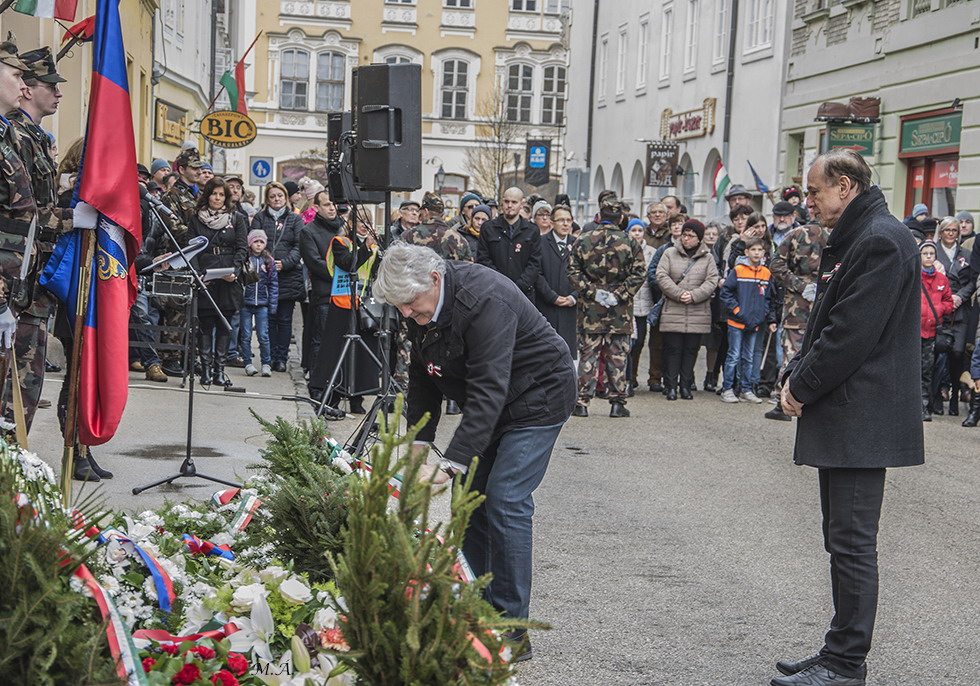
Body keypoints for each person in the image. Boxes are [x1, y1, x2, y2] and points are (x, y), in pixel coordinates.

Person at [373, 242, 576, 662]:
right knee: (469, 500)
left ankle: (511, 630)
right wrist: (417, 445)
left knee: (505, 499)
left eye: (410, 304)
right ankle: (472, 611)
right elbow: (423, 375)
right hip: (494, 402)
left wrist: (449, 464)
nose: (406, 314)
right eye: (400, 307)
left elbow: (488, 390)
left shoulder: (485, 299)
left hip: (538, 396)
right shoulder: (421, 304)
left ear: (434, 279)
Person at [774, 149, 923, 686]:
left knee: (853, 544)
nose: (808, 201)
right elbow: (828, 319)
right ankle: (837, 650)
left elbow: (849, 334)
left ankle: (845, 664)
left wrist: (801, 387)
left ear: (844, 185)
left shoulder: (880, 239)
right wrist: (795, 372)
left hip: (862, 415)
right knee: (842, 541)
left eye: (814, 191)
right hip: (852, 412)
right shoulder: (863, 235)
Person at [3, 46, 69, 435]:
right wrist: (71, 218)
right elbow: (23, 212)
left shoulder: (36, 138)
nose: (58, 93)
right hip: (15, 276)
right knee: (17, 379)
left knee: (28, 377)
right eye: (50, 86)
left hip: (33, 276)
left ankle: (15, 454)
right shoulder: (16, 136)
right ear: (28, 89)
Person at [567, 195, 646, 417]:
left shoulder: (584, 239)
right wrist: (620, 294)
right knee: (617, 355)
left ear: (600, 216)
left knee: (588, 355)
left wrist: (592, 292)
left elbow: (572, 271)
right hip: (619, 311)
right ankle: (617, 403)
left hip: (590, 309)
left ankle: (582, 402)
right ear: (620, 218)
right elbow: (640, 273)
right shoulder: (629, 242)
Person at [307, 216, 378, 414]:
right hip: (342, 304)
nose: (365, 226)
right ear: (351, 224)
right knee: (337, 351)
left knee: (362, 354)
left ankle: (357, 397)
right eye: (361, 222)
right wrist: (366, 247)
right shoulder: (341, 242)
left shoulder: (374, 247)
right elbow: (348, 264)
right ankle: (333, 396)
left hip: (364, 305)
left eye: (369, 222)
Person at [766, 221, 831, 420]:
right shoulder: (838, 234)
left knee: (791, 353)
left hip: (800, 305)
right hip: (821, 303)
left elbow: (775, 264)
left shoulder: (796, 234)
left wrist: (799, 284)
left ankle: (783, 402)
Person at [187, 178, 248, 387]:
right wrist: (198, 274)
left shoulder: (237, 218)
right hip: (206, 274)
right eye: (214, 194)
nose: (217, 198)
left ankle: (219, 370)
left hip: (228, 276)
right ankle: (205, 369)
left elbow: (242, 248)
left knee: (224, 323)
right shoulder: (196, 218)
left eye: (222, 194)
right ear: (207, 195)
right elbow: (191, 249)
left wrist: (235, 271)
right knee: (205, 323)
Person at [655, 219, 720, 400]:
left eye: (691, 236)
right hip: (673, 310)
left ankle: (685, 386)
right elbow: (661, 275)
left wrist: (694, 295)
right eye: (684, 234)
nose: (686, 238)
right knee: (672, 349)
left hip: (698, 311)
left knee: (691, 350)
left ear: (699, 238)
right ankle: (671, 386)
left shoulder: (707, 257)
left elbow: (712, 281)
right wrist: (679, 294)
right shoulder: (669, 253)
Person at [249, 181, 305, 372]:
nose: (276, 199)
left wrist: (286, 263)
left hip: (288, 275)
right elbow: (254, 240)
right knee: (268, 319)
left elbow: (299, 245)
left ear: (286, 198)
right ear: (267, 199)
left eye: (280, 196)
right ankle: (270, 356)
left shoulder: (295, 219)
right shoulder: (260, 217)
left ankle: (281, 357)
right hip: (265, 275)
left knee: (284, 318)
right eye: (272, 196)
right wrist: (266, 262)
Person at [718, 236, 773, 403]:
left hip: (754, 322)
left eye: (759, 250)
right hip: (737, 321)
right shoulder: (738, 270)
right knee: (733, 355)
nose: (756, 253)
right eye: (753, 250)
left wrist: (763, 314)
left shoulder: (766, 273)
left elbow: (767, 297)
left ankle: (746, 389)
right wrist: (737, 310)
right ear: (747, 252)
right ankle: (728, 388)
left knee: (748, 357)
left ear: (764, 253)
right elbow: (726, 292)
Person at [932, 216, 974, 416]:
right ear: (941, 233)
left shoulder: (966, 253)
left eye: (954, 231)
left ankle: (956, 394)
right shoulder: (932, 251)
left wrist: (960, 296)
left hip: (960, 310)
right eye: (947, 230)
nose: (951, 234)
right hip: (939, 309)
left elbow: (973, 280)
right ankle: (936, 396)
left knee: (957, 353)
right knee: (938, 353)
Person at [299, 190, 343, 367]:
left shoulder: (344, 227)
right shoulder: (308, 231)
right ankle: (316, 375)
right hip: (324, 293)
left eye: (333, 204)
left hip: (345, 294)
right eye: (327, 204)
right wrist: (340, 273)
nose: (332, 208)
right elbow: (314, 262)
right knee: (321, 338)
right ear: (316, 208)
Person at [477, 186, 541, 303]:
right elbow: (483, 259)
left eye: (514, 202)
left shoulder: (532, 231)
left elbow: (534, 263)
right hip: (494, 292)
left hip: (523, 295)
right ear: (502, 202)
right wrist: (501, 283)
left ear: (521, 204)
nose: (509, 205)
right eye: (506, 201)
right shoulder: (488, 228)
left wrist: (519, 286)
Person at [535, 205, 578, 358]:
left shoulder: (578, 244)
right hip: (547, 307)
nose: (565, 224)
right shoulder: (540, 243)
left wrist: (574, 297)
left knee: (568, 356)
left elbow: (586, 274)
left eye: (568, 220)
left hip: (571, 310)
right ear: (552, 222)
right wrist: (552, 296)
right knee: (546, 353)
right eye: (561, 220)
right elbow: (536, 273)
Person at [918, 241, 953, 422]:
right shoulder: (914, 277)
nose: (928, 256)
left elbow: (949, 301)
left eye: (932, 253)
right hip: (914, 332)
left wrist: (939, 309)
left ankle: (925, 405)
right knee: (912, 369)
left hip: (932, 332)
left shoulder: (942, 280)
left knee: (927, 371)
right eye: (925, 253)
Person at [239, 229, 278, 377]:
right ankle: (248, 363)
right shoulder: (244, 260)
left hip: (262, 304)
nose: (258, 245)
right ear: (250, 243)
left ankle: (266, 364)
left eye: (261, 242)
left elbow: (273, 284)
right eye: (256, 241)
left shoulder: (268, 261)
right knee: (246, 335)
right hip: (246, 304)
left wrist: (272, 304)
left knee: (263, 335)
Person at [403, 192, 472, 262]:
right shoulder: (459, 239)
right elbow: (468, 266)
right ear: (443, 215)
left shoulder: (408, 235)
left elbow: (399, 262)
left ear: (426, 212)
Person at [628, 218, 656, 391]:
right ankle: (626, 378)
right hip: (627, 302)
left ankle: (633, 375)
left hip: (644, 303)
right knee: (628, 343)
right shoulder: (623, 249)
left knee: (639, 342)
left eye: (640, 230)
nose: (637, 234)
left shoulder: (652, 252)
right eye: (633, 230)